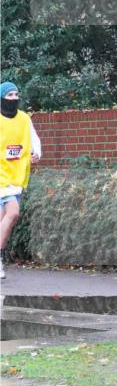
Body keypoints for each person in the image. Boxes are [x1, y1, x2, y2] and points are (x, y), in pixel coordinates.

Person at [0, 81, 42, 279]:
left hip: (17, 177)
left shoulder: (24, 118)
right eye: (9, 95)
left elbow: (33, 140)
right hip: (1, 176)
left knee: (4, 223)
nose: (14, 98)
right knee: (13, 213)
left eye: (16, 94)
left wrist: (36, 154)